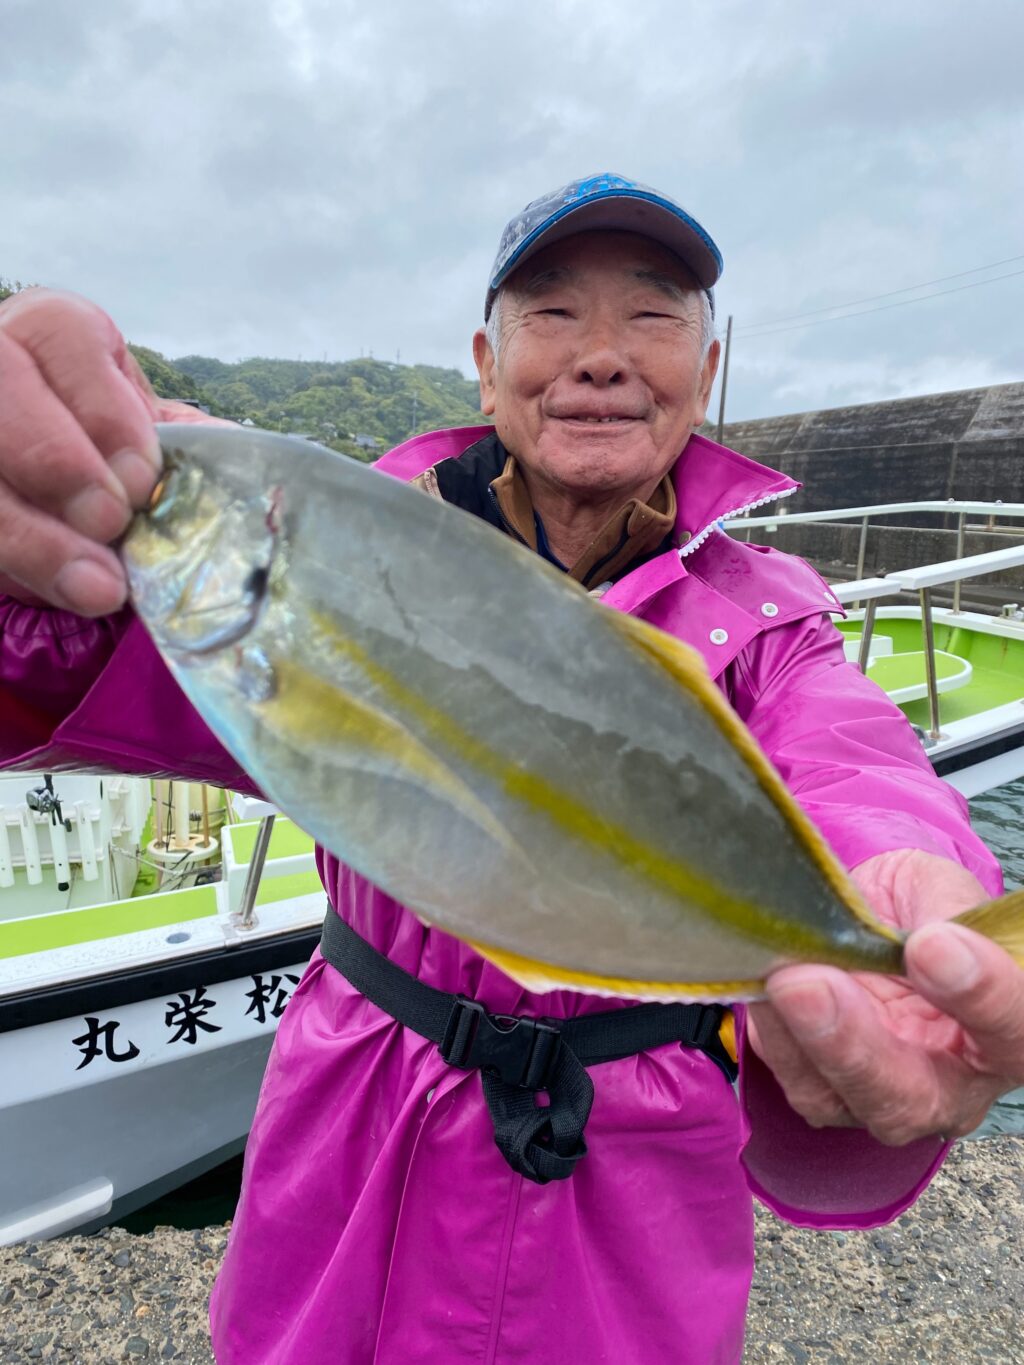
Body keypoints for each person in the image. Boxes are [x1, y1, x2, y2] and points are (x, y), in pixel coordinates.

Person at [2, 172, 1023, 1363]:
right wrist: (46, 548)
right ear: (486, 368)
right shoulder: (338, 555)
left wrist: (906, 906)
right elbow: (82, 663)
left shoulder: (773, 623)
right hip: (348, 1139)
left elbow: (852, 768)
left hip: (632, 1185)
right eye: (553, 312)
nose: (602, 355)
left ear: (705, 373)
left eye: (651, 315)